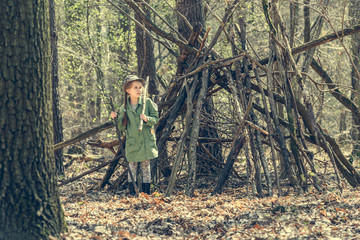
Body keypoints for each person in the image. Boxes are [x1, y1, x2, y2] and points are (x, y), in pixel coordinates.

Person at [111, 75, 158, 196]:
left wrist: (147, 119)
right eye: (135, 87)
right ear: (128, 90)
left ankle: (146, 193)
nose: (139, 90)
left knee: (146, 167)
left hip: (145, 141)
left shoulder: (147, 103)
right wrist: (115, 119)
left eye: (140, 87)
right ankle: (133, 193)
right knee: (132, 167)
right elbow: (121, 127)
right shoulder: (124, 108)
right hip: (133, 142)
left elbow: (156, 118)